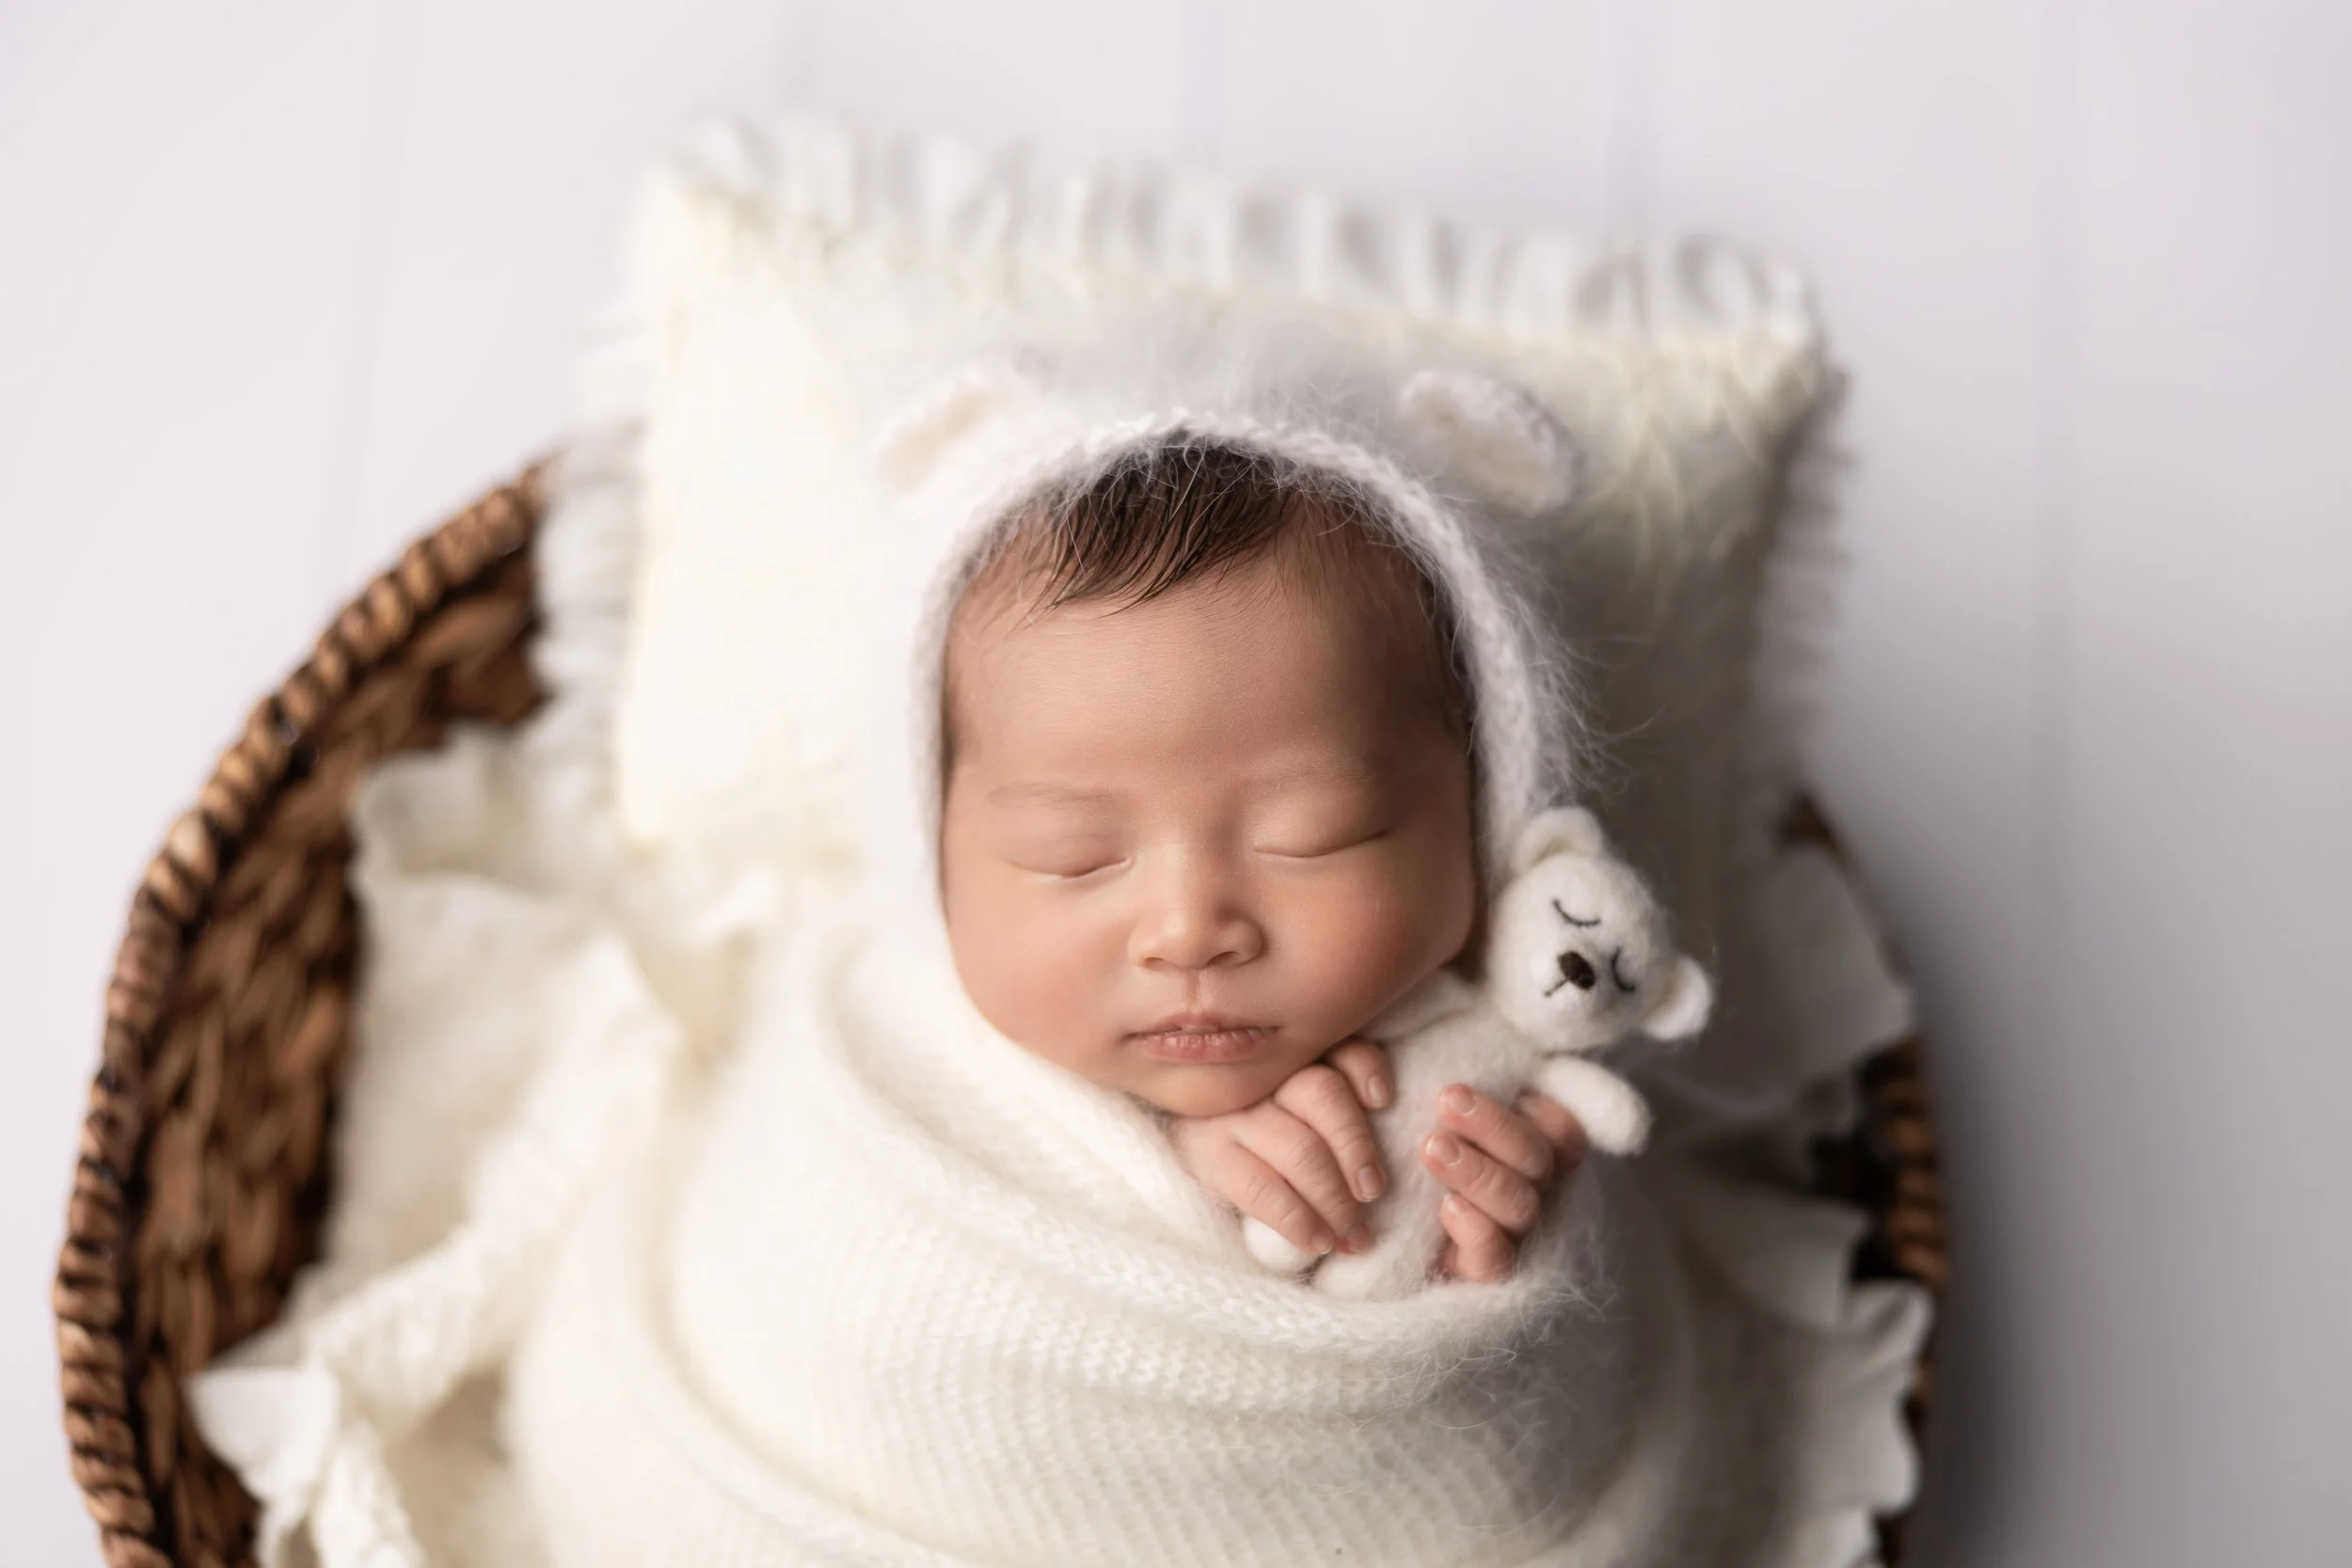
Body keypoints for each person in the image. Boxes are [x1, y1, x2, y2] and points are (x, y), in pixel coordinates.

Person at [935, 436, 1587, 1286]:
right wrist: (1166, 1165)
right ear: (938, 860)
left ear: (1479, 822)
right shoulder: (899, 1059)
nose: (1188, 931)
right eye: (1073, 854)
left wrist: (1471, 1261)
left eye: (1313, 834)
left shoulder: (1498, 1081)